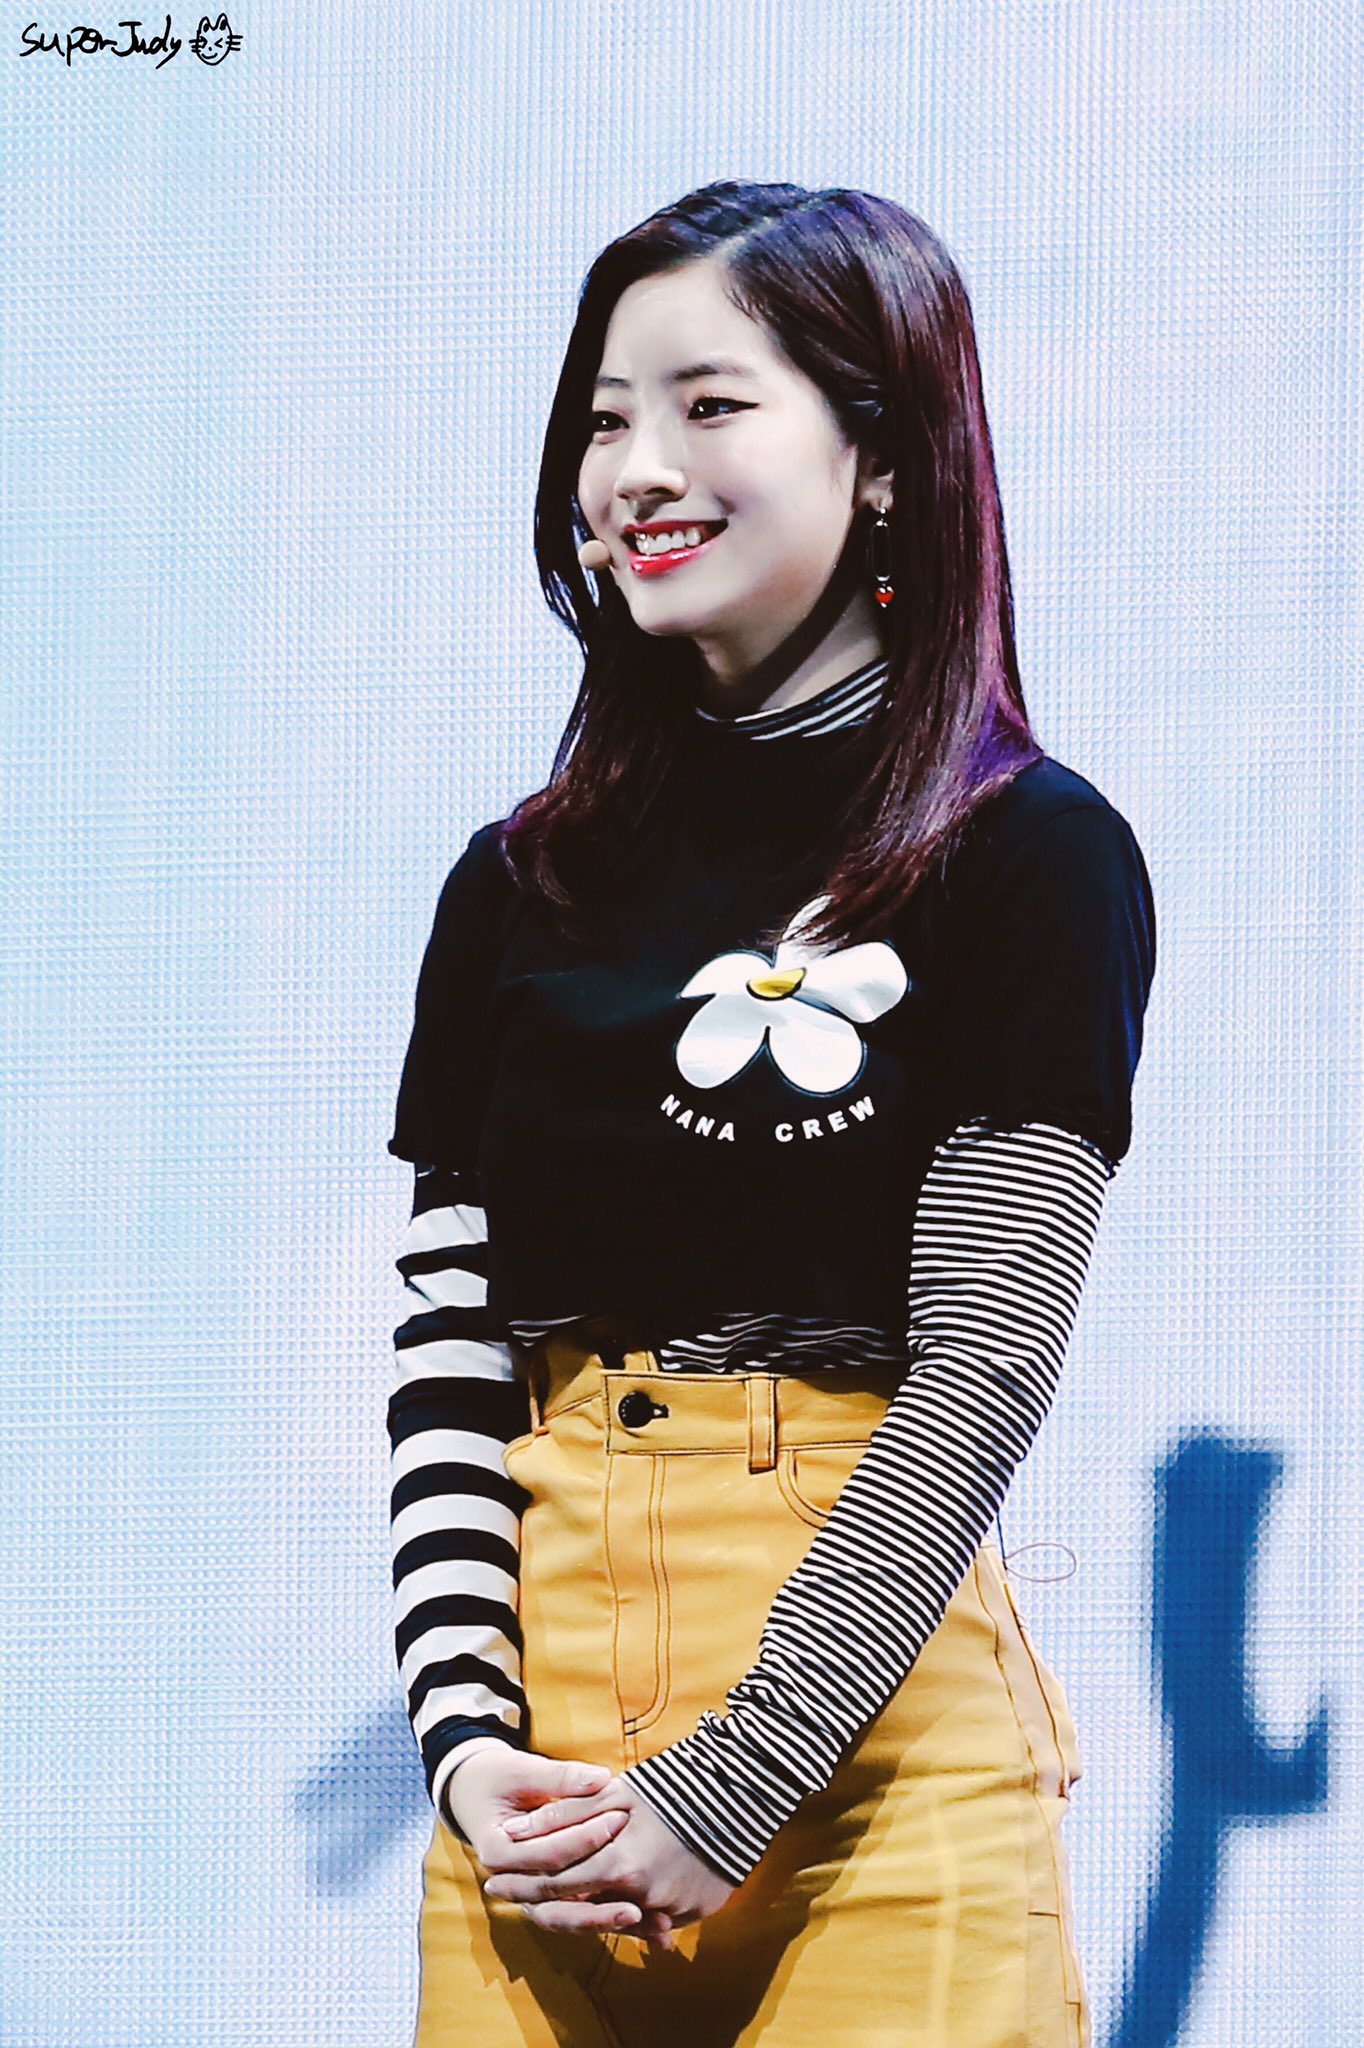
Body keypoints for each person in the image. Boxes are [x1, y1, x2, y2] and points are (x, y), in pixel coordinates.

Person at [386, 180, 1156, 2047]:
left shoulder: (1027, 855)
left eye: (710, 404)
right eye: (603, 419)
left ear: (880, 458)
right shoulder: (517, 883)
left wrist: (732, 1788)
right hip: (538, 1798)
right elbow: (448, 1352)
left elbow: (979, 1377)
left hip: (870, 1784)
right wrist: (466, 1745)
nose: (636, 469)